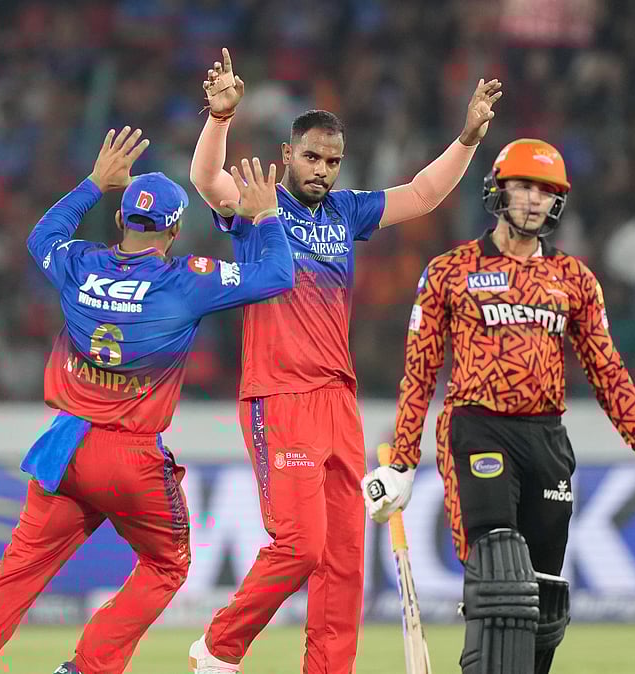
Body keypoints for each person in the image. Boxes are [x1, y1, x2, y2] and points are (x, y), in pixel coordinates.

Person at [187, 48, 504, 674]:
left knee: (343, 559)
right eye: (312, 157)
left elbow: (421, 195)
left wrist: (467, 138)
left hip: (338, 399)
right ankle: (218, 650)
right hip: (279, 393)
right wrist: (220, 119)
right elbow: (205, 179)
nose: (323, 170)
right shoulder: (258, 204)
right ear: (288, 155)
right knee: (300, 545)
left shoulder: (345, 210)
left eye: (333, 161)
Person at [0, 127, 293, 674]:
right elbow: (277, 274)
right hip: (130, 456)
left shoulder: (78, 264)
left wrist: (92, 183)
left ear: (119, 221)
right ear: (174, 231)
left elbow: (42, 237)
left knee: (16, 575)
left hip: (65, 448)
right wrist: (266, 217)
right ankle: (87, 668)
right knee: (166, 564)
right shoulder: (184, 281)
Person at [361, 138, 635, 674]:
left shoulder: (575, 280)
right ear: (498, 190)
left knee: (543, 604)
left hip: (547, 438)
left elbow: (608, 373)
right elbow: (421, 369)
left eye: (546, 190)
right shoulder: (450, 271)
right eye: (523, 186)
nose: (533, 200)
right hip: (477, 428)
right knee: (500, 569)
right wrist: (402, 463)